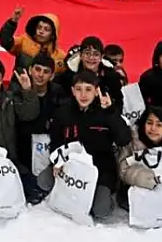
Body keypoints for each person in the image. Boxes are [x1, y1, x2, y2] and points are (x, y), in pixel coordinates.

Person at [49, 71, 131, 218]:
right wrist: (57, 161)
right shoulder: (63, 113)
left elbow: (124, 139)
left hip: (101, 169)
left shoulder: (107, 112)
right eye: (79, 89)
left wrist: (111, 112)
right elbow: (55, 142)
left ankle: (100, 196)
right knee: (43, 181)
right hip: (71, 166)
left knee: (101, 211)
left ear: (96, 91)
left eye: (88, 89)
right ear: (73, 91)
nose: (83, 94)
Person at [12, 53, 67, 203]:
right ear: (30, 70)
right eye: (37, 69)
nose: (40, 75)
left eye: (46, 71)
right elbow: (22, 120)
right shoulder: (17, 90)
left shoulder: (58, 93)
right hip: (23, 151)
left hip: (50, 151)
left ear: (52, 75)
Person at [56, 36, 124, 110]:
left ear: (101, 57)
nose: (91, 58)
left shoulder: (111, 77)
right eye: (87, 53)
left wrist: (110, 108)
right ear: (81, 55)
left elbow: (119, 103)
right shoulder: (68, 77)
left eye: (96, 54)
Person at [0, 7, 67, 75]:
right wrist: (13, 21)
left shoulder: (61, 57)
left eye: (46, 29)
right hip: (18, 85)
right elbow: (5, 41)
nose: (41, 31)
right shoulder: (23, 42)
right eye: (39, 27)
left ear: (53, 35)